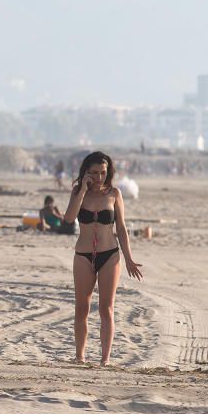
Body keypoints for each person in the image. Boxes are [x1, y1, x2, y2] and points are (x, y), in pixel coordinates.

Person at [64, 151, 143, 366]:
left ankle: (105, 360)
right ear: (86, 172)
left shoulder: (114, 193)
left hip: (110, 255)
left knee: (106, 309)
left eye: (103, 173)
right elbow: (69, 219)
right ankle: (80, 357)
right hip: (83, 255)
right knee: (82, 307)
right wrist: (81, 191)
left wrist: (129, 258)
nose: (99, 177)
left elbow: (122, 228)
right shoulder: (78, 192)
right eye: (94, 173)